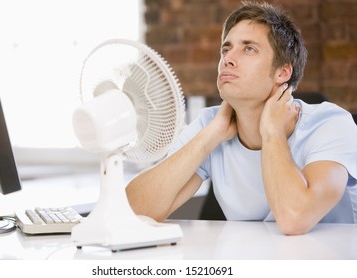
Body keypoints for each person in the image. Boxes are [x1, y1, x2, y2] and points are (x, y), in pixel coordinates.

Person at [126, 1, 357, 235]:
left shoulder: (330, 123)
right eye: (226, 49)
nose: (228, 59)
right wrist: (209, 138)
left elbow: (294, 219)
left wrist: (273, 133)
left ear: (282, 72)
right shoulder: (211, 124)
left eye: (249, 49)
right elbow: (132, 212)